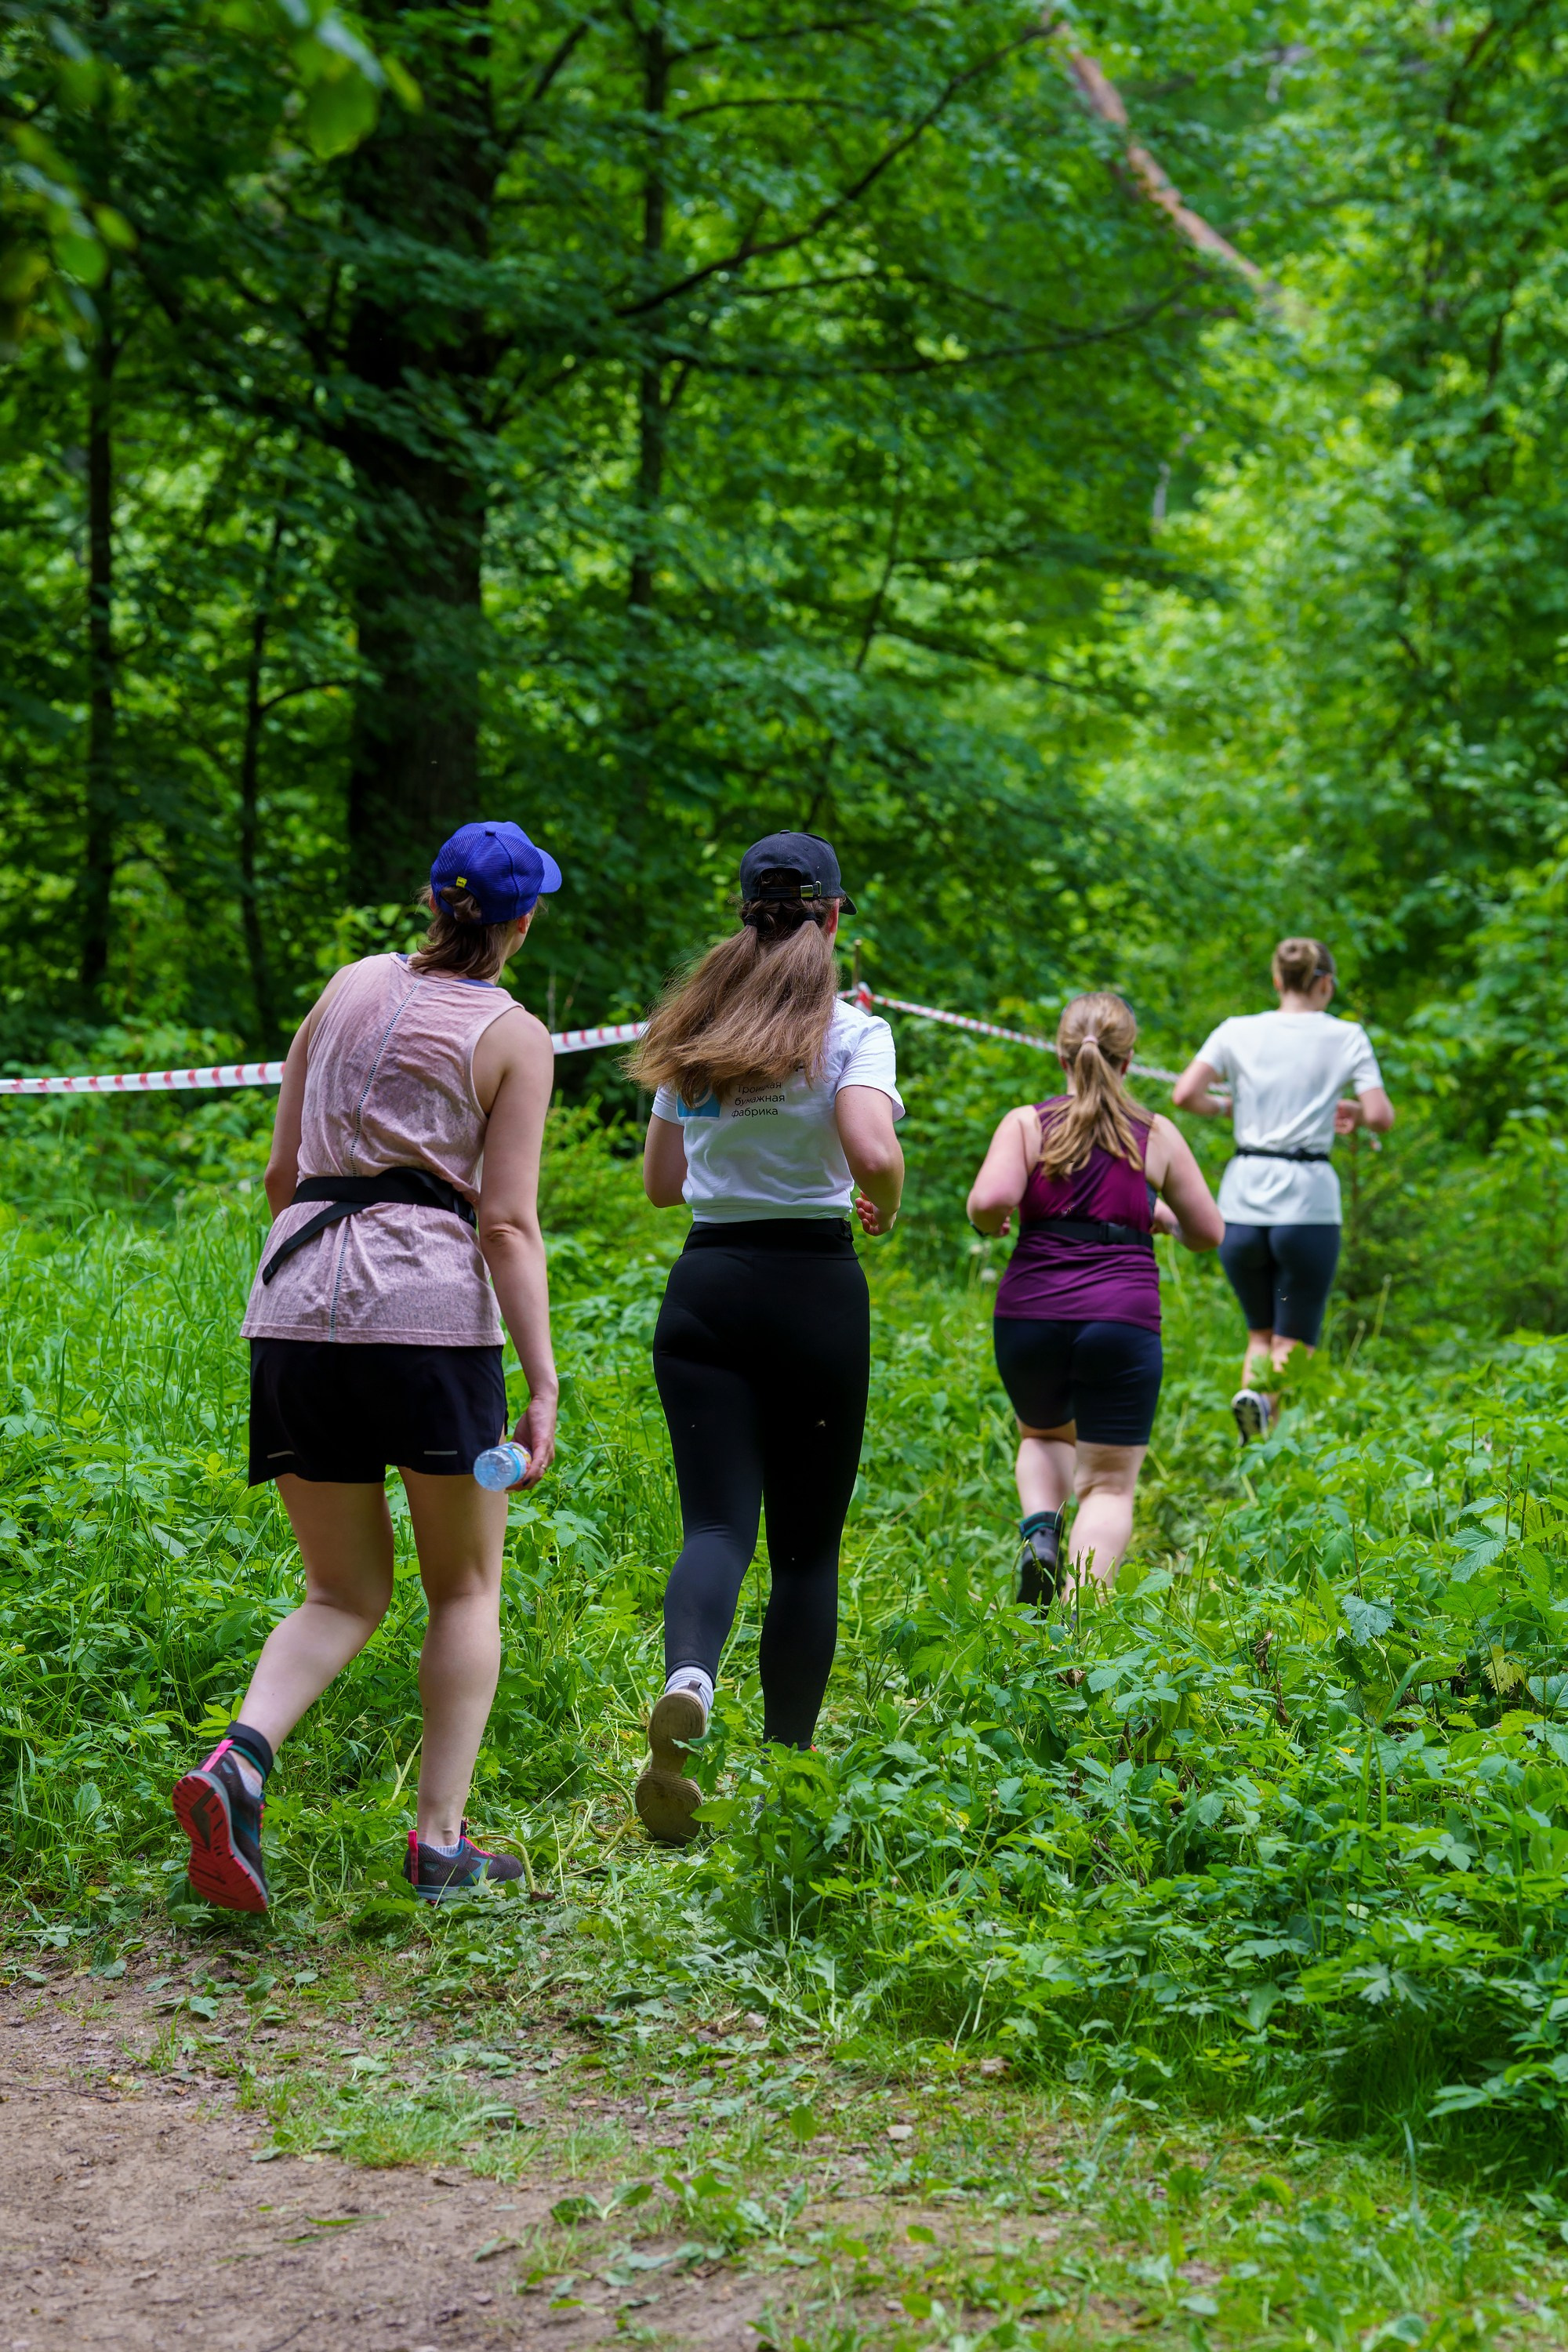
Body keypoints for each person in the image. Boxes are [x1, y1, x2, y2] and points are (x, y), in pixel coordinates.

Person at [171, 820, 561, 1912]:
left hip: (294, 1311)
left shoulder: (346, 986)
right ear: (522, 922)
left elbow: (283, 1169)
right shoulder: (513, 1032)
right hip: (431, 1325)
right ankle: (440, 1844)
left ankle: (239, 1758)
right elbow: (507, 1222)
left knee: (340, 1589)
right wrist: (541, 1384)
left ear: (431, 902)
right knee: (465, 1585)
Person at [626, 831, 904, 1843]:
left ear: (745, 914)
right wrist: (889, 1197)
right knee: (805, 1555)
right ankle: (787, 1776)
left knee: (714, 1531)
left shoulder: (696, 1022)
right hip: (812, 1291)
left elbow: (661, 1186)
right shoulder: (851, 1030)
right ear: (834, 918)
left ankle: (688, 1679)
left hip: (705, 1287)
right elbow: (872, 1149)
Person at [966, 992, 1222, 1605]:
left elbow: (986, 1202)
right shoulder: (1153, 1134)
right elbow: (1209, 1233)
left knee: (1043, 1437)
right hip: (1121, 1320)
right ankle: (1077, 1633)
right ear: (1128, 1061)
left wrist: (998, 1219)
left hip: (1030, 1313)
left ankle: (1039, 1532)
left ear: (1061, 1055)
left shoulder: (1028, 1123)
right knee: (1107, 1485)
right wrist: (1161, 1219)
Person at [1171, 936, 1394, 1440]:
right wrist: (1356, 1113)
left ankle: (1255, 1424)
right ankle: (1267, 1417)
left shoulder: (1237, 1031)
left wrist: (1228, 1108)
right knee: (1294, 1339)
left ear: (1277, 981)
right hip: (1307, 1202)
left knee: (1260, 1333)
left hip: (1241, 1200)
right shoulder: (1347, 1036)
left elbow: (1185, 1094)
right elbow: (1380, 1117)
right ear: (1326, 984)